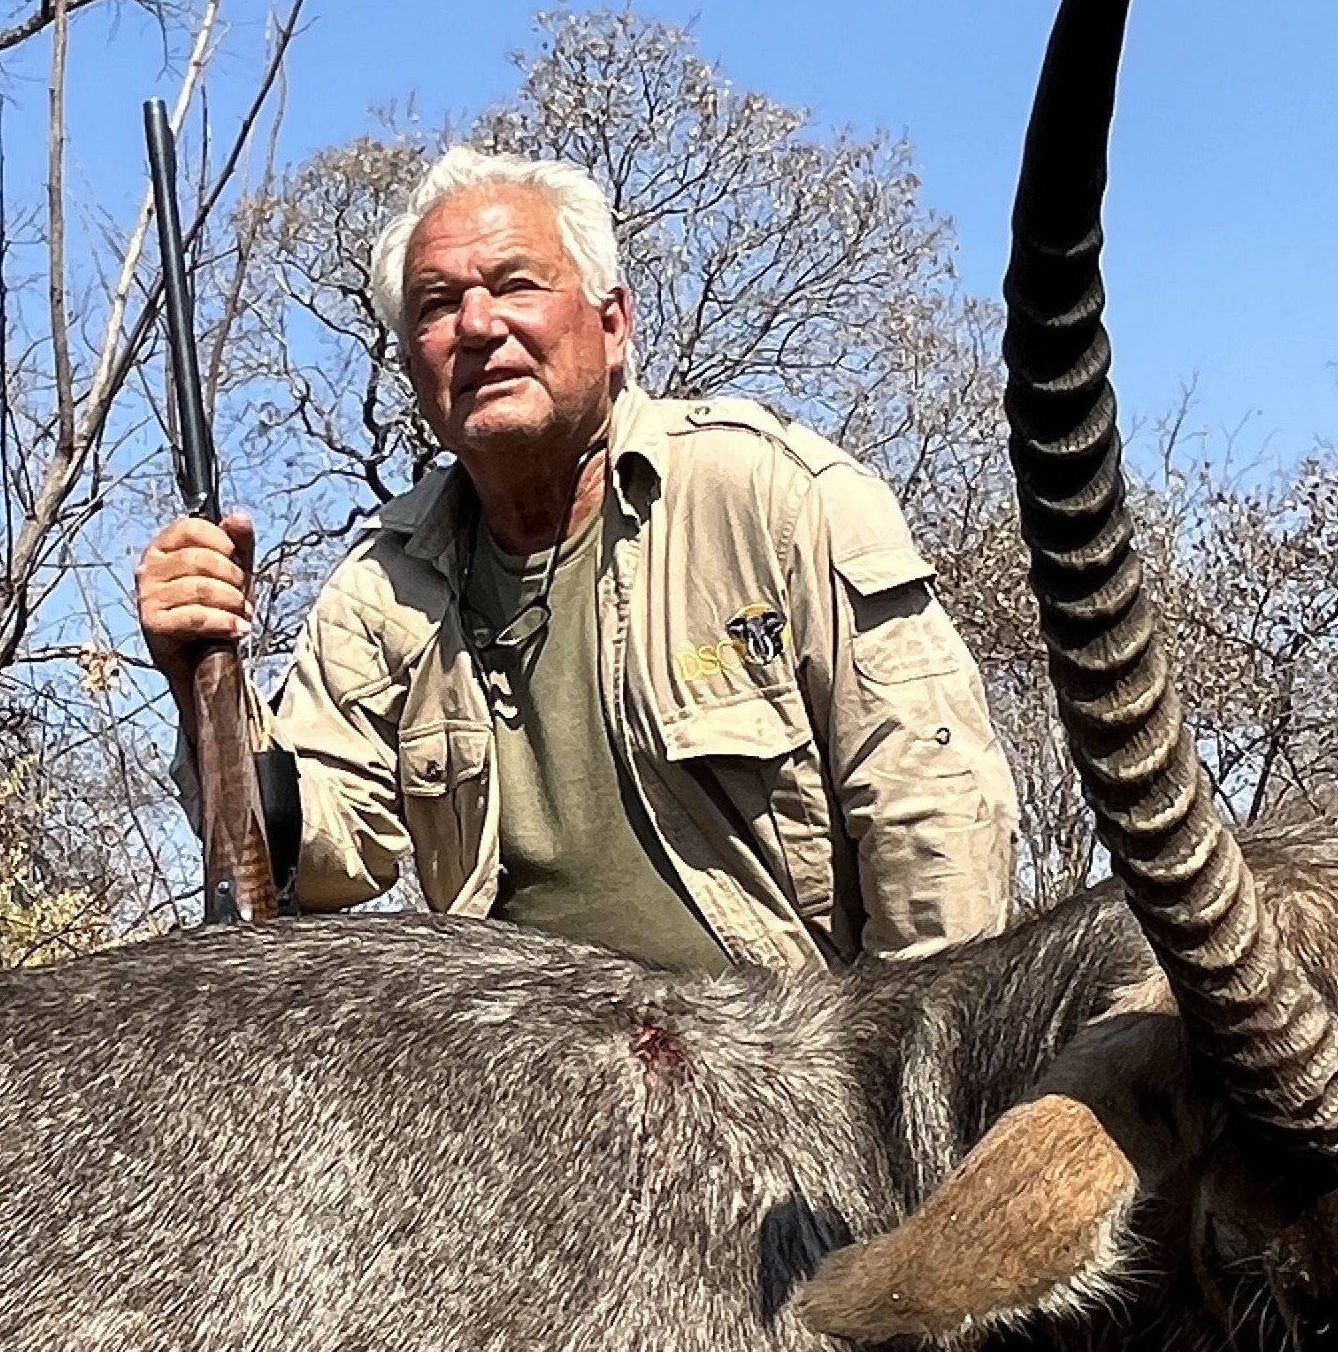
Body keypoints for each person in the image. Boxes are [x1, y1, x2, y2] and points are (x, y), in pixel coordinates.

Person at [135, 146, 1018, 972]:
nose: (476, 325)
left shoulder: (777, 498)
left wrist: (917, 1090)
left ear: (614, 323)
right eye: (437, 305)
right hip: (523, 1095)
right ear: (413, 364)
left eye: (515, 284)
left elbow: (931, 815)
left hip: (783, 1079)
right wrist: (201, 682)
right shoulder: (384, 583)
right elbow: (320, 865)